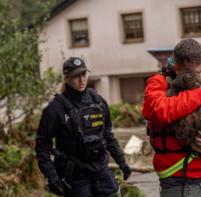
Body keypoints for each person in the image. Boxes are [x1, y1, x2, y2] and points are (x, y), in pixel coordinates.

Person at [142, 39, 201, 197]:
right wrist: (199, 94)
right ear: (176, 68)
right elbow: (157, 111)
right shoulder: (158, 82)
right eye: (193, 73)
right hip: (177, 179)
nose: (200, 78)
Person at [35, 57, 131, 197]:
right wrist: (50, 175)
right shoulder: (55, 109)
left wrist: (121, 161)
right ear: (67, 78)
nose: (81, 80)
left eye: (84, 74)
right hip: (75, 175)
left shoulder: (98, 102)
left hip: (101, 169)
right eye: (76, 76)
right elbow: (42, 145)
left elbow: (107, 135)